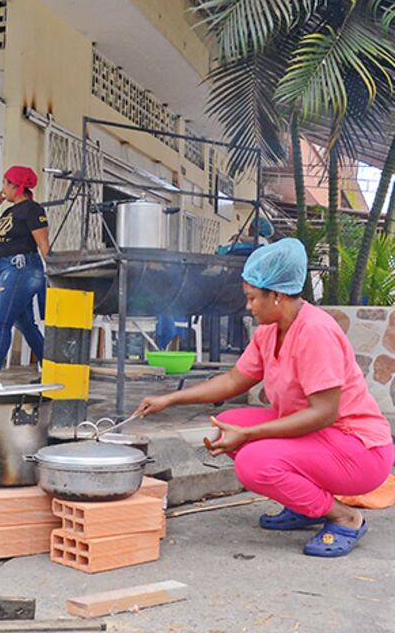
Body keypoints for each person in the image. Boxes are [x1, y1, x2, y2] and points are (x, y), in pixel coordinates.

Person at [134, 238, 392, 557]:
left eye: (253, 298)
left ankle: (345, 517)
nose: (249, 306)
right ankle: (306, 505)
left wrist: (251, 434)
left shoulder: (315, 332)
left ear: (277, 295)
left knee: (253, 462)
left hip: (360, 450)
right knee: (226, 424)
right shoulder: (269, 331)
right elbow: (233, 380)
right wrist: (169, 400)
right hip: (325, 437)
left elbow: (325, 413)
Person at [0, 165, 50, 388]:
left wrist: (53, 273)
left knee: (0, 321)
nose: (2, 187)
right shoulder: (9, 211)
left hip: (21, 267)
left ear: (16, 186)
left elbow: (42, 243)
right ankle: (52, 370)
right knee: (26, 325)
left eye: (5, 182)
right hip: (7, 269)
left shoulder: (33, 210)